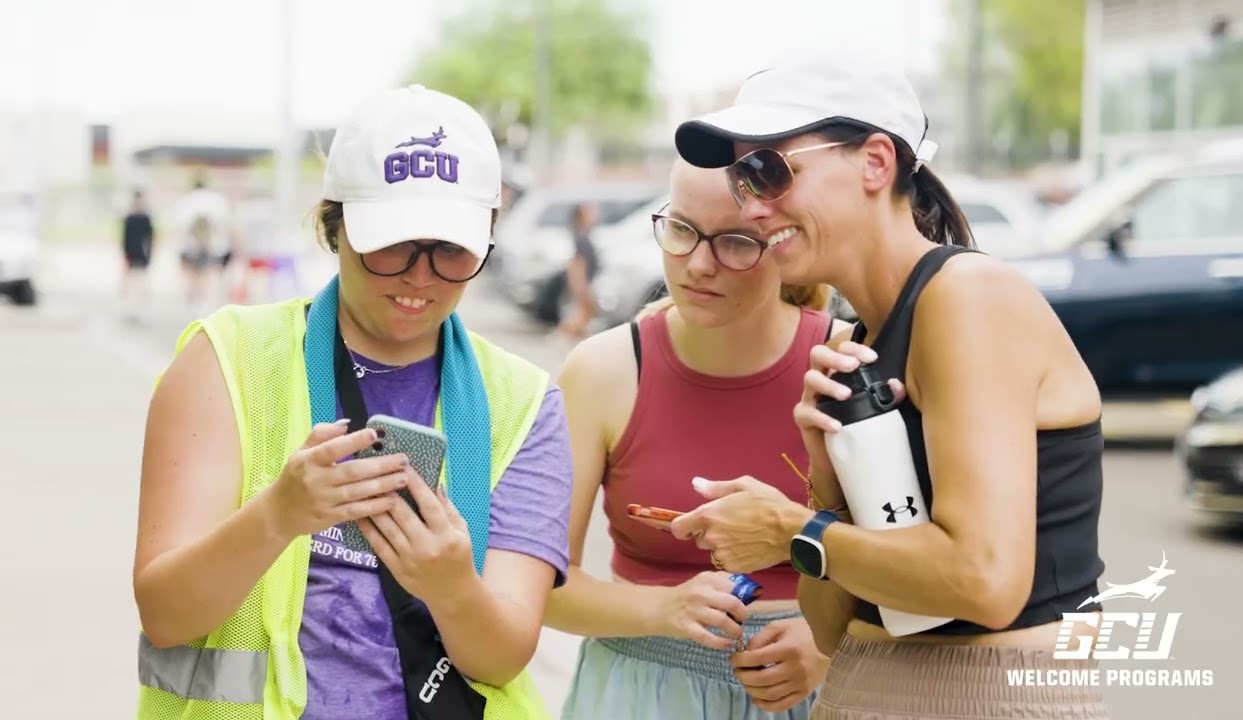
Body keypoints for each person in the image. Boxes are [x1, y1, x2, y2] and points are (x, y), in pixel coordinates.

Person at [665, 51, 1110, 719]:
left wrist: (792, 528)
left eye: (769, 171)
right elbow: (830, 626)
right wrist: (826, 481)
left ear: (876, 162)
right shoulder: (855, 343)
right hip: (865, 688)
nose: (754, 207)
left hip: (993, 695)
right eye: (742, 182)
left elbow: (985, 580)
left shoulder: (967, 298)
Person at [132, 84, 573, 720]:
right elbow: (167, 615)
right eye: (392, 243)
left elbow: (501, 658)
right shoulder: (225, 359)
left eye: (450, 249)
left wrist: (450, 586)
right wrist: (277, 516)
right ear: (333, 225)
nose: (419, 276)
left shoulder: (524, 402)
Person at [546, 156, 845, 720]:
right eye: (681, 230)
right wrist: (663, 609)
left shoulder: (845, 364)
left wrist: (833, 644)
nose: (699, 265)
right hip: (641, 695)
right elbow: (542, 583)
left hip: (819, 694)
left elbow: (927, 565)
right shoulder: (603, 370)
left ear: (787, 242)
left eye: (735, 242)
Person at [173, 175, 233, 307]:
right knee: (208, 273)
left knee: (192, 273)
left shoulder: (185, 201)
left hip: (189, 245)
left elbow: (178, 226)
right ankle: (205, 299)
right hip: (213, 245)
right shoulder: (217, 200)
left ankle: (193, 296)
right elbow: (225, 224)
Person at [556, 201, 601, 339]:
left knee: (584, 312)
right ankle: (562, 336)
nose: (595, 215)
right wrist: (580, 287)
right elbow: (576, 265)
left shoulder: (584, 235)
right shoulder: (580, 238)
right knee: (581, 311)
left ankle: (575, 336)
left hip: (588, 280)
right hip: (584, 282)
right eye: (590, 212)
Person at [120, 188, 154, 319]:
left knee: (133, 280)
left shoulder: (131, 217)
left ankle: (133, 306)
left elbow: (124, 239)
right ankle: (135, 306)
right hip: (140, 253)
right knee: (138, 280)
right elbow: (150, 238)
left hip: (133, 253)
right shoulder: (143, 217)